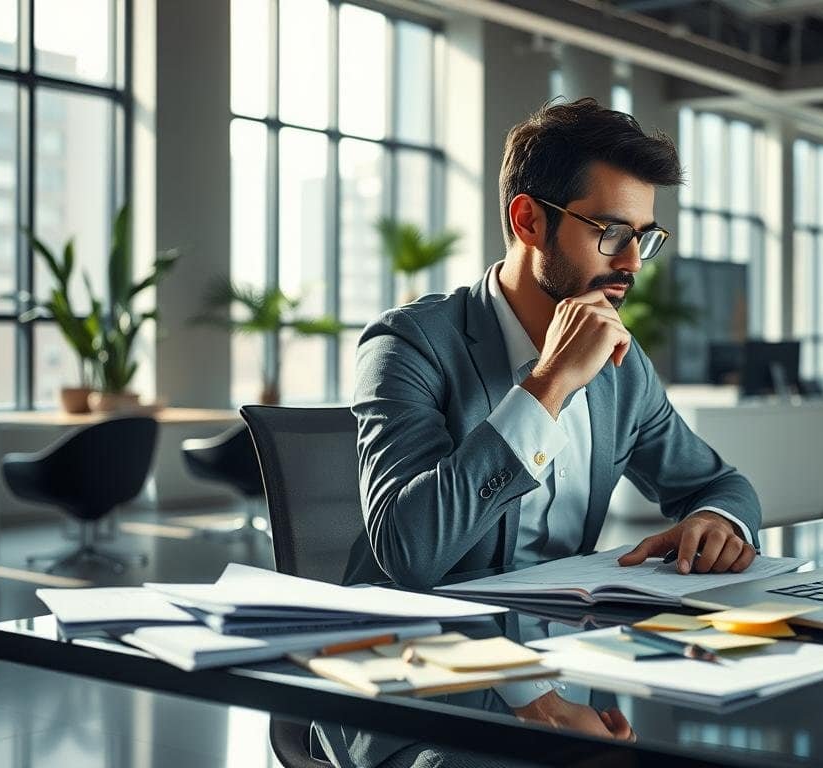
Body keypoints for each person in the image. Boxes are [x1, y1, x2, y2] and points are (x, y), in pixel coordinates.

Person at [327, 97, 763, 763]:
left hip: (563, 663)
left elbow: (717, 482)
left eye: (643, 236)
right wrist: (549, 384)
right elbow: (408, 553)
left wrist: (717, 521)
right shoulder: (410, 343)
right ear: (529, 220)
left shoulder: (623, 367)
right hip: (417, 689)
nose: (633, 264)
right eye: (611, 232)